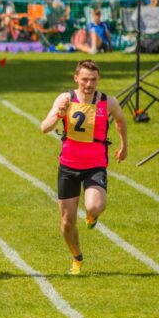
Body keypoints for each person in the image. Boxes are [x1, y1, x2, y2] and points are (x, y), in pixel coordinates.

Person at [40, 60, 127, 275]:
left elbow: (121, 120)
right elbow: (44, 127)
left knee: (94, 206)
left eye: (93, 79)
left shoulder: (108, 102)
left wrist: (124, 145)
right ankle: (77, 258)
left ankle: (92, 215)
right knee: (67, 222)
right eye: (85, 79)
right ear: (76, 79)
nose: (89, 84)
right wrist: (59, 114)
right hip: (68, 165)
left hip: (95, 164)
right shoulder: (66, 99)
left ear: (98, 79)